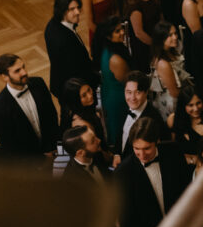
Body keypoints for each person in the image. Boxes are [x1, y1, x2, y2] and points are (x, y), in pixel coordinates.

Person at [115, 116, 191, 227]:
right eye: (136, 148)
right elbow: (126, 217)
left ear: (157, 141)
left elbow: (186, 189)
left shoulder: (174, 152)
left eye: (147, 148)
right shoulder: (123, 172)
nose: (142, 155)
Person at [0, 53, 60, 163]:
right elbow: (11, 147)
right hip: (31, 164)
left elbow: (51, 116)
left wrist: (53, 148)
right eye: (17, 71)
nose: (24, 73)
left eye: (23, 67)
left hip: (54, 149)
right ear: (4, 77)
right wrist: (42, 160)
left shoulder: (38, 83)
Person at [44, 0, 99, 100]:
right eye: (72, 9)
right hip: (73, 90)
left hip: (65, 82)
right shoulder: (62, 41)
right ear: (62, 11)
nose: (78, 12)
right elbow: (76, 69)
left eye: (78, 7)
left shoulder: (53, 23)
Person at [94, 17, 132, 152]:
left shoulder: (108, 48)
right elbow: (128, 81)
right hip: (119, 101)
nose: (122, 32)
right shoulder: (116, 60)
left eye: (121, 28)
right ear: (108, 36)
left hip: (109, 93)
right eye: (117, 31)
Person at [123, 0, 164, 74]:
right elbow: (139, 33)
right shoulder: (135, 5)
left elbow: (160, 17)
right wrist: (157, 47)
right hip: (145, 48)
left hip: (157, 39)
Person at [148, 22, 191, 120]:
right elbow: (174, 92)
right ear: (161, 38)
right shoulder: (163, 63)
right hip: (173, 103)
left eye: (175, 33)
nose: (175, 37)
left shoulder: (171, 52)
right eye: (170, 35)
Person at [117, 72, 167, 157]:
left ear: (146, 92)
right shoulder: (123, 109)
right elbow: (120, 136)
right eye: (129, 92)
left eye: (138, 92)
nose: (132, 98)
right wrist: (117, 154)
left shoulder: (154, 119)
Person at [168, 86, 203, 164]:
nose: (196, 108)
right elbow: (172, 148)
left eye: (198, 103)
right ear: (183, 106)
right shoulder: (172, 119)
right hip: (179, 165)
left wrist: (193, 160)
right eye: (190, 105)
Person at [59, 78, 109, 146]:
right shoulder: (81, 124)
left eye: (89, 90)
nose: (90, 96)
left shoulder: (87, 109)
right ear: (76, 100)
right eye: (84, 95)